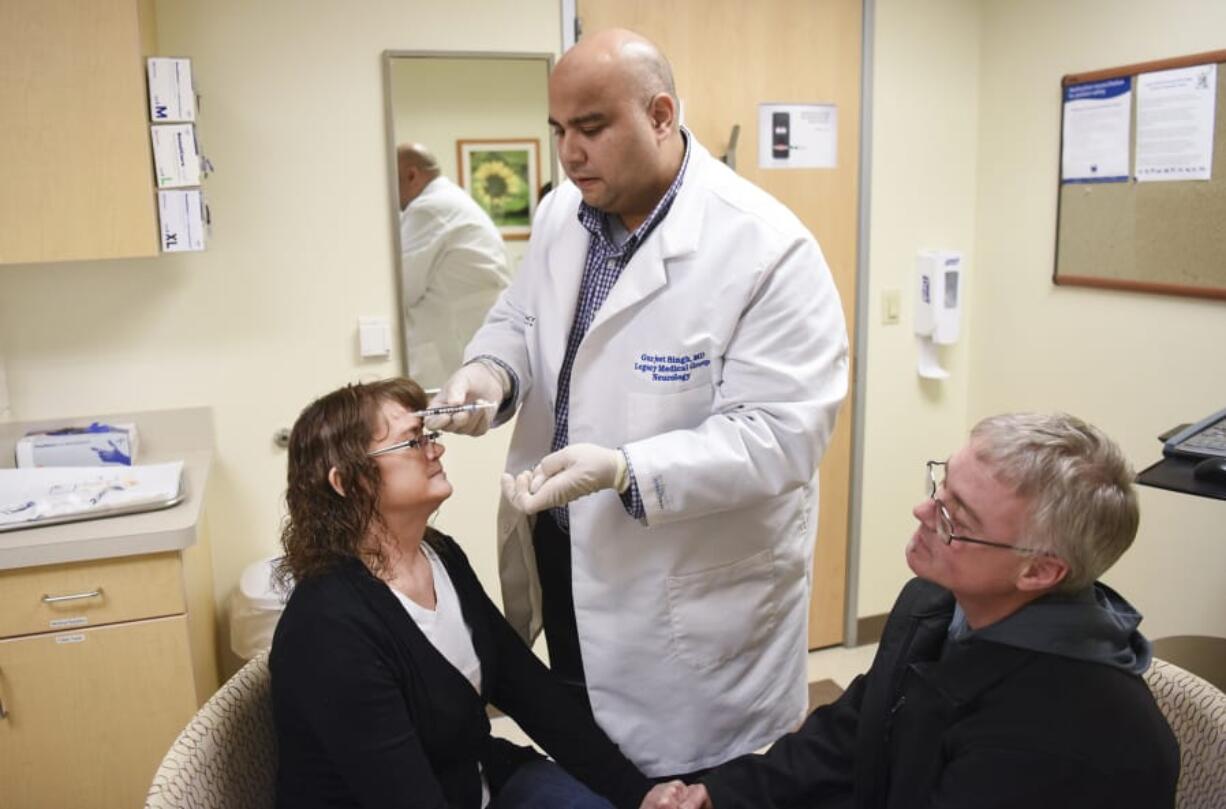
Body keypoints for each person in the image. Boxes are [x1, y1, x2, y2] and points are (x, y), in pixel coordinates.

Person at [426, 28, 849, 779]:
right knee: (595, 760)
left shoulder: (766, 249)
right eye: (559, 130)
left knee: (697, 785)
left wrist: (626, 468)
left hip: (690, 590)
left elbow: (780, 437)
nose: (570, 152)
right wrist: (489, 373)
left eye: (591, 128)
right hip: (569, 557)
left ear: (660, 114)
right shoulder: (565, 213)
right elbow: (522, 317)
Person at [644, 412, 1180, 809]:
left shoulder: (1071, 738)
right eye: (940, 484)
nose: (924, 511)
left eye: (956, 515)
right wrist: (717, 795)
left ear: (1038, 571)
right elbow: (854, 736)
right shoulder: (936, 604)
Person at [268, 377, 652, 809]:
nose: (436, 449)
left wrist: (639, 794)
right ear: (347, 483)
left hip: (480, 780)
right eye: (412, 443)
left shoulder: (439, 555)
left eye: (428, 436)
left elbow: (531, 692)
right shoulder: (328, 629)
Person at [397, 144, 512, 385]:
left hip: (452, 349)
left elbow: (399, 291)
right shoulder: (449, 200)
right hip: (468, 340)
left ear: (411, 175)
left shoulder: (429, 209)